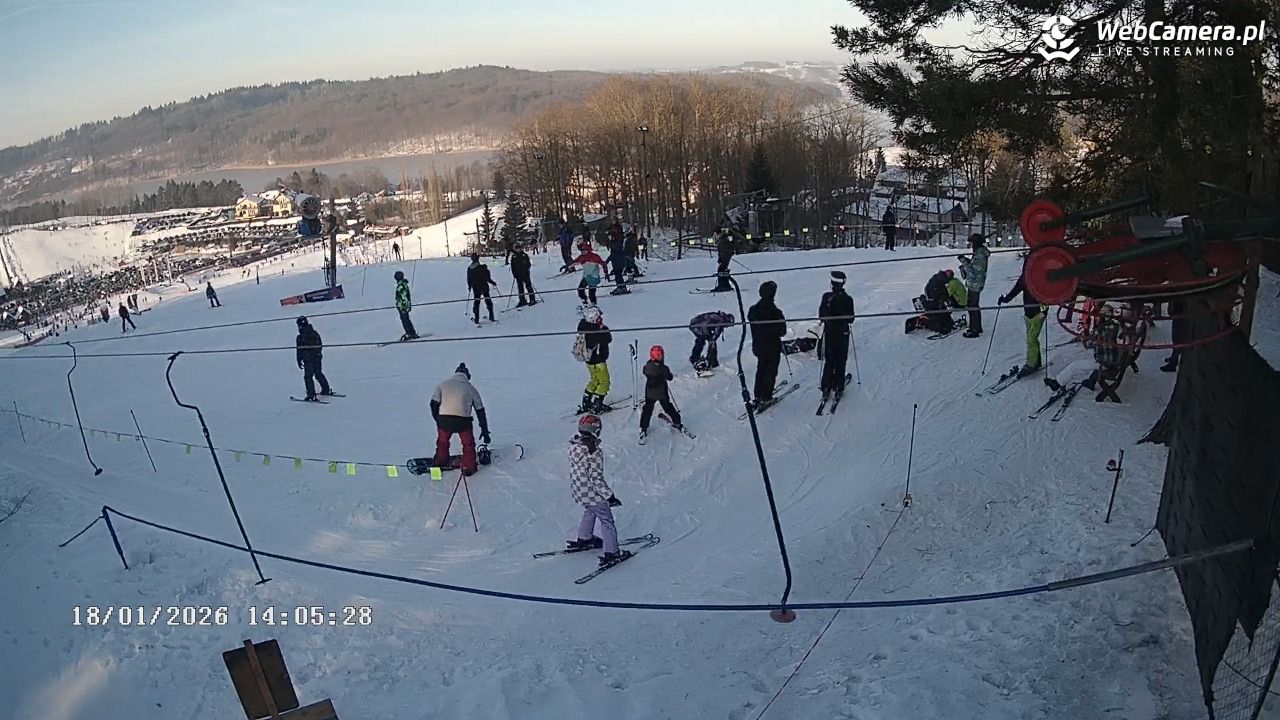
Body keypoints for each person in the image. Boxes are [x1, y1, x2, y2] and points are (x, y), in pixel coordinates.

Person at [566, 414, 629, 567]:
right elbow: (596, 478)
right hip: (592, 492)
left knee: (590, 510)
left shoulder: (574, 446)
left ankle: (585, 538)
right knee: (606, 519)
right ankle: (612, 552)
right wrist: (609, 496)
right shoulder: (593, 451)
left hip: (579, 490)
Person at [430, 363, 491, 476]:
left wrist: (437, 419)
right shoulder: (471, 389)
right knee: (468, 444)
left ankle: (440, 461)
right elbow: (480, 411)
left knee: (442, 442)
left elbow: (433, 404)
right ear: (467, 376)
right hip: (463, 422)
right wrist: (485, 431)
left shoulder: (442, 385)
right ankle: (469, 467)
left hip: (444, 420)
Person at [998, 260, 1048, 377]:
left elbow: (1047, 295)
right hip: (1028, 314)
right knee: (1031, 338)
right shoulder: (1025, 278)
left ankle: (1031, 364)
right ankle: (1036, 360)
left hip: (1038, 313)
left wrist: (1044, 310)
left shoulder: (1040, 278)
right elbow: (1016, 290)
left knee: (1031, 339)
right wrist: (1005, 299)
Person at [747, 281, 787, 408]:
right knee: (770, 371)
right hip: (772, 347)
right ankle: (766, 397)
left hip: (758, 346)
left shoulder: (753, 310)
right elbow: (782, 331)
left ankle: (758, 395)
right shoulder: (776, 312)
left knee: (761, 369)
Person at [818, 270, 855, 399]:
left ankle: (826, 385)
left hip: (829, 333)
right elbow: (851, 319)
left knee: (829, 360)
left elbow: (821, 316)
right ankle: (839, 385)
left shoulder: (826, 297)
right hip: (842, 333)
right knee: (841, 360)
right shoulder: (848, 299)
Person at [638, 345, 684, 442]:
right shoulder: (664, 368)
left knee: (647, 409)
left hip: (650, 393)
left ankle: (643, 427)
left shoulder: (647, 367)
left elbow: (644, 371)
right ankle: (677, 422)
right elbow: (669, 377)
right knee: (668, 407)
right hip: (662, 393)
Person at [575, 305, 613, 413]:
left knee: (594, 380)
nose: (601, 319)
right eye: (599, 317)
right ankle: (597, 404)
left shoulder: (584, 327)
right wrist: (603, 328)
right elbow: (608, 338)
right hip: (599, 361)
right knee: (604, 382)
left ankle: (586, 402)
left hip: (589, 360)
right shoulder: (597, 331)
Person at [905, 269, 966, 334]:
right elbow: (936, 295)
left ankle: (947, 324)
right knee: (939, 325)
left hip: (937, 303)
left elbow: (944, 293)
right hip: (933, 304)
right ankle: (922, 321)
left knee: (947, 320)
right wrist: (942, 299)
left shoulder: (939, 280)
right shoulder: (936, 283)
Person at [294, 316, 334, 400]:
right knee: (318, 374)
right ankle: (326, 389)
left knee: (308, 377)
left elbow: (300, 350)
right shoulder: (314, 333)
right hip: (317, 358)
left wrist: (300, 359)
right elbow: (319, 345)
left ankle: (311, 394)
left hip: (309, 360)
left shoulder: (301, 337)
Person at [959, 233, 989, 337]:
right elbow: (974, 265)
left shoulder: (980, 254)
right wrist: (967, 261)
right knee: (973, 305)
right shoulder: (978, 253)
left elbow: (974, 271)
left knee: (972, 306)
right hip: (974, 283)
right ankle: (976, 327)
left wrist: (964, 262)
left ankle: (974, 329)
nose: (971, 246)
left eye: (972, 243)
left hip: (975, 283)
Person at [466, 253, 498, 325]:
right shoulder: (483, 267)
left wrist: (469, 286)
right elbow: (487, 278)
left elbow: (469, 279)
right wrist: (493, 283)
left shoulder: (470, 268)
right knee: (488, 301)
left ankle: (476, 319)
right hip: (484, 287)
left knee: (477, 302)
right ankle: (491, 317)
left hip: (476, 288)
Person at [572, 240, 606, 305]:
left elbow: (603, 263)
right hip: (586, 276)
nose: (583, 252)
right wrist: (568, 265)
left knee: (591, 293)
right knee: (580, 289)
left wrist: (606, 272)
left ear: (588, 250)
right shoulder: (581, 257)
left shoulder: (594, 256)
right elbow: (574, 262)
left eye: (584, 250)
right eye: (581, 251)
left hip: (593, 277)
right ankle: (585, 302)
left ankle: (594, 304)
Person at [394, 270, 419, 340]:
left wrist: (404, 307)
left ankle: (410, 333)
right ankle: (411, 332)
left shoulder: (401, 285)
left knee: (405, 320)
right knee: (405, 319)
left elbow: (404, 297)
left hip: (403, 307)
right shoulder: (401, 284)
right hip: (401, 306)